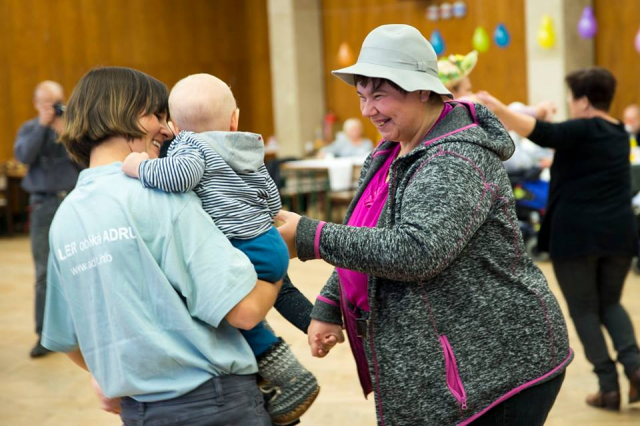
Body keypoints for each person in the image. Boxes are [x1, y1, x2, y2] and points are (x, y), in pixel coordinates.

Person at [276, 24, 572, 425]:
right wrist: (332, 302)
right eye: (362, 96)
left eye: (380, 95)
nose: (367, 111)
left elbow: (416, 251)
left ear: (421, 91)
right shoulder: (389, 153)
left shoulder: (455, 159)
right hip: (454, 357)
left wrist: (311, 236)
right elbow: (371, 233)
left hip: (497, 365)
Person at [41, 66, 280, 426]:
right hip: (215, 404)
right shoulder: (161, 196)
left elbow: (68, 339)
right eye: (157, 115)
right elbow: (244, 311)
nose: (168, 130)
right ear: (125, 112)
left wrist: (119, 377)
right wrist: (278, 260)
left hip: (140, 412)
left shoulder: (65, 218)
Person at [121, 73, 318, 425]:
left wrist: (139, 166)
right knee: (279, 290)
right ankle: (318, 323)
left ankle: (291, 378)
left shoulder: (189, 146)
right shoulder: (245, 145)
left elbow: (177, 177)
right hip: (266, 240)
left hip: (240, 247)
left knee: (232, 316)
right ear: (234, 119)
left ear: (175, 126)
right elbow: (271, 196)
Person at [477, 67, 640, 411]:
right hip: (618, 232)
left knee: (584, 308)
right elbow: (561, 138)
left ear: (584, 101)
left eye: (572, 99)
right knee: (610, 304)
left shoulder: (580, 129)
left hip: (577, 234)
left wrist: (498, 107)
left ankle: (608, 387)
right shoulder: (618, 132)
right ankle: (636, 369)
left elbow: (539, 131)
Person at [13, 80, 82, 358]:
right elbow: (24, 156)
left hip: (73, 202)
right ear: (36, 104)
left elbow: (85, 161)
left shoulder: (71, 127)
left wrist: (65, 134)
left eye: (57, 101)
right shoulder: (30, 129)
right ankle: (44, 336)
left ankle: (82, 329)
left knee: (81, 264)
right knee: (43, 272)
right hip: (43, 205)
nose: (54, 107)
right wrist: (43, 126)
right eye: (47, 103)